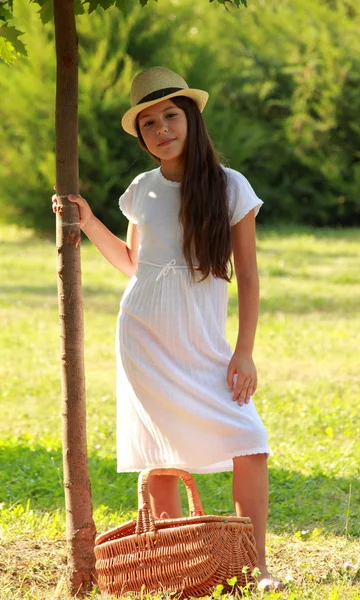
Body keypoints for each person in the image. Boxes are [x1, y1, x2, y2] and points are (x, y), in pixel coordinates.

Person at [52, 66, 282, 591]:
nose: (161, 129)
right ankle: (181, 567)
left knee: (250, 439)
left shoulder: (230, 187)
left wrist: (243, 352)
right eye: (149, 123)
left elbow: (247, 275)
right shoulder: (141, 190)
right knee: (158, 453)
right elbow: (135, 263)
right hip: (142, 332)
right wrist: (87, 222)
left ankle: (256, 564)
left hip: (202, 338)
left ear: (192, 118)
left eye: (170, 116)